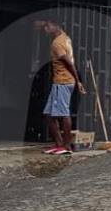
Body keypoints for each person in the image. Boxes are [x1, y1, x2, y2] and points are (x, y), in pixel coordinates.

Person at [36, 19, 85, 155]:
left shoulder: (57, 43)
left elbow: (69, 63)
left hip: (63, 81)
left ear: (55, 25)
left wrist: (78, 80)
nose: (45, 29)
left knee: (63, 113)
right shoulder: (65, 38)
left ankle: (66, 146)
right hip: (62, 81)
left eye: (47, 26)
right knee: (49, 114)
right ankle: (59, 144)